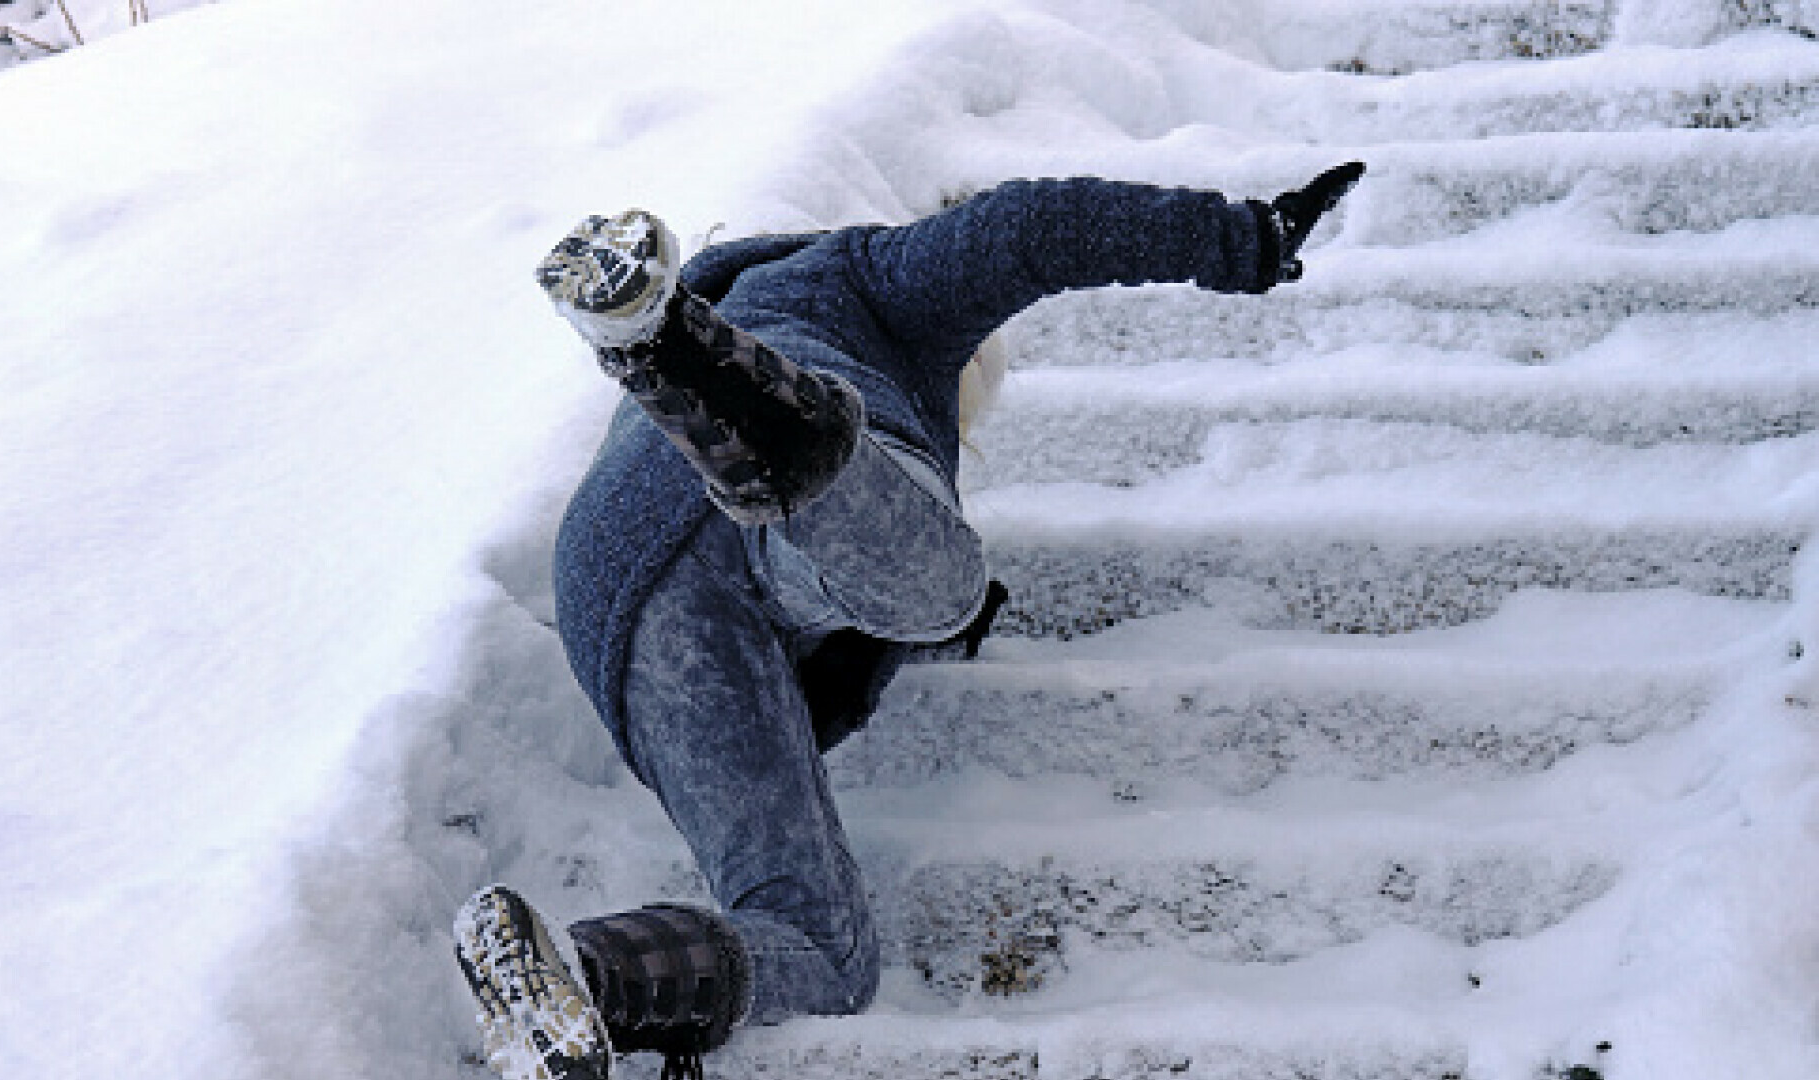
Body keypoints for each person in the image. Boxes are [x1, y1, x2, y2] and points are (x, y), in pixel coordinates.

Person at [452, 165, 1367, 1080]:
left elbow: (818, 696)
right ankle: (767, 422)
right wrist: (1243, 237)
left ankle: (582, 978)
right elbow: (1030, 229)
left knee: (823, 949)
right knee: (940, 582)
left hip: (619, 589)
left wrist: (883, 658)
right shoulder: (859, 279)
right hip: (757, 503)